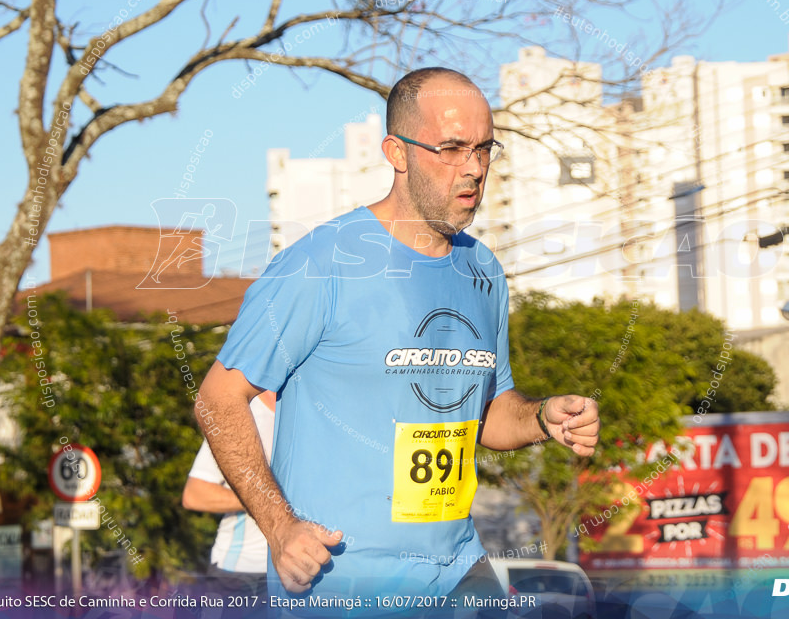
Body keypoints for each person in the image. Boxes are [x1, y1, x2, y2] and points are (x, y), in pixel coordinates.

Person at [196, 67, 601, 613]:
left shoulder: (482, 270)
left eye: (484, 149)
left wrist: (543, 417)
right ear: (396, 152)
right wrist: (279, 526)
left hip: (459, 568)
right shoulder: (321, 263)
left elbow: (486, 414)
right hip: (341, 577)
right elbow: (218, 399)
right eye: (452, 149)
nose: (474, 168)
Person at [182, 390, 276, 598]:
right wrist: (268, 499)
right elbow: (195, 493)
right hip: (242, 572)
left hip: (301, 569)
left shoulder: (312, 415)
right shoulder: (245, 417)